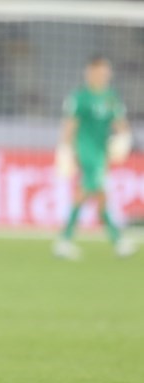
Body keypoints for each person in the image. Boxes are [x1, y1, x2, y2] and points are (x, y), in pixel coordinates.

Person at [53, 56, 136, 259]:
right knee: (92, 192)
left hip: (101, 152)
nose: (103, 75)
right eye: (99, 71)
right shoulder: (81, 97)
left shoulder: (111, 97)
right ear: (89, 73)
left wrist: (125, 138)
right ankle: (69, 240)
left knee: (97, 195)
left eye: (106, 72)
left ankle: (69, 240)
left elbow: (119, 123)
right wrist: (64, 148)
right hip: (86, 151)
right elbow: (70, 124)